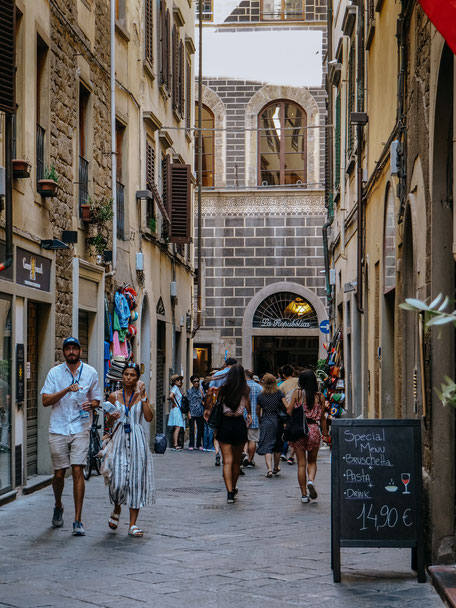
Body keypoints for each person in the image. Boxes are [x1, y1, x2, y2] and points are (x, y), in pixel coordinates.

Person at [41, 337, 102, 536]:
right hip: (58, 427)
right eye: (68, 349)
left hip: (81, 427)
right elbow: (45, 400)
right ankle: (58, 504)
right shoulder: (54, 373)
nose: (71, 352)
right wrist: (67, 389)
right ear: (63, 352)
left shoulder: (91, 373)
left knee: (78, 470)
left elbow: (97, 399)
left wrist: (91, 404)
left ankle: (78, 520)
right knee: (59, 473)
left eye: (74, 348)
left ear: (80, 351)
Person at [105, 363, 155, 537]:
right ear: (122, 376)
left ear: (137, 378)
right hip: (119, 438)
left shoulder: (142, 396)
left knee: (136, 480)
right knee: (116, 481)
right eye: (126, 374)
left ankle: (133, 524)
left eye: (132, 375)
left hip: (137, 439)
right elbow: (108, 424)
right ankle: (117, 507)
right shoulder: (113, 396)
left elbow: (148, 418)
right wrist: (111, 419)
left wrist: (142, 397)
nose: (128, 377)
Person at [205, 364, 251, 503]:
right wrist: (248, 413)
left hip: (225, 423)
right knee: (237, 462)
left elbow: (214, 405)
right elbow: (248, 407)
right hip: (239, 424)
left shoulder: (223, 389)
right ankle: (234, 486)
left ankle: (229, 492)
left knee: (227, 461)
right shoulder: (245, 389)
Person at [285, 369, 329, 504]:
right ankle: (311, 480)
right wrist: (326, 435)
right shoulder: (320, 396)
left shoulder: (297, 394)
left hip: (299, 430)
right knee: (312, 461)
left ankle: (304, 495)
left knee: (301, 464)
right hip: (314, 429)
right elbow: (322, 418)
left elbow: (289, 411)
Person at [208, 358, 237, 466]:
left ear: (226, 364)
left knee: (216, 433)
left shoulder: (218, 374)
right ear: (234, 365)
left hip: (218, 406)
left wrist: (209, 408)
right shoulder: (236, 375)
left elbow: (210, 392)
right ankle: (229, 454)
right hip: (233, 408)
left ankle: (217, 453)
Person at [256, 374, 285, 477]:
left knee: (267, 445)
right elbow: (285, 406)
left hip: (266, 420)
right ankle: (276, 467)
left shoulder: (260, 396)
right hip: (278, 420)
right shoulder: (279, 394)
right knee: (277, 445)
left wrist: (260, 420)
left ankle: (269, 470)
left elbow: (258, 411)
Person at [279, 365, 299, 464]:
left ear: (283, 375)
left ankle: (284, 452)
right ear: (293, 373)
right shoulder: (298, 381)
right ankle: (291, 456)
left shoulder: (281, 386)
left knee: (287, 432)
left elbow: (280, 401)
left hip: (287, 412)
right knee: (296, 434)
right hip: (299, 410)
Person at [243, 370, 262, 468]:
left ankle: (245, 455)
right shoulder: (259, 387)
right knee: (252, 439)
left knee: (243, 439)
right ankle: (250, 460)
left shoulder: (241, 387)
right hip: (254, 417)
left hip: (241, 417)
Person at [187, 375, 205, 450]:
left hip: (200, 411)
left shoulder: (201, 390)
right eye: (195, 381)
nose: (197, 383)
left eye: (198, 381)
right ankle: (191, 444)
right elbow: (187, 402)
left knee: (200, 429)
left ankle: (198, 444)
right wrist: (188, 412)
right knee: (192, 429)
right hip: (192, 411)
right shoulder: (189, 391)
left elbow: (204, 400)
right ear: (192, 382)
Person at [168, 374, 185, 450]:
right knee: (177, 427)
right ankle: (175, 444)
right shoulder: (175, 388)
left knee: (177, 427)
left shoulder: (176, 388)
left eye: (180, 380)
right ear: (174, 381)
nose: (180, 381)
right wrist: (174, 403)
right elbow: (171, 396)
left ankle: (175, 444)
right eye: (178, 380)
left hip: (176, 409)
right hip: (176, 409)